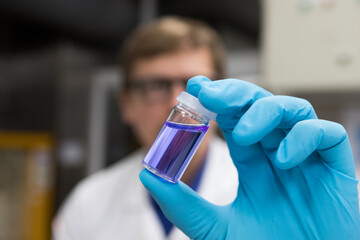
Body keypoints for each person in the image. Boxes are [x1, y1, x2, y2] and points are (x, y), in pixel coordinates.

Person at [53, 16, 238, 239]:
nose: (176, 102)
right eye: (156, 86)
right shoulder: (88, 205)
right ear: (125, 104)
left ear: (219, 100)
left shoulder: (263, 194)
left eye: (193, 86)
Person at [140, 76, 360, 239]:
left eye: (186, 78)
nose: (172, 98)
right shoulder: (104, 191)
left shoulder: (293, 182)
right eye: (156, 85)